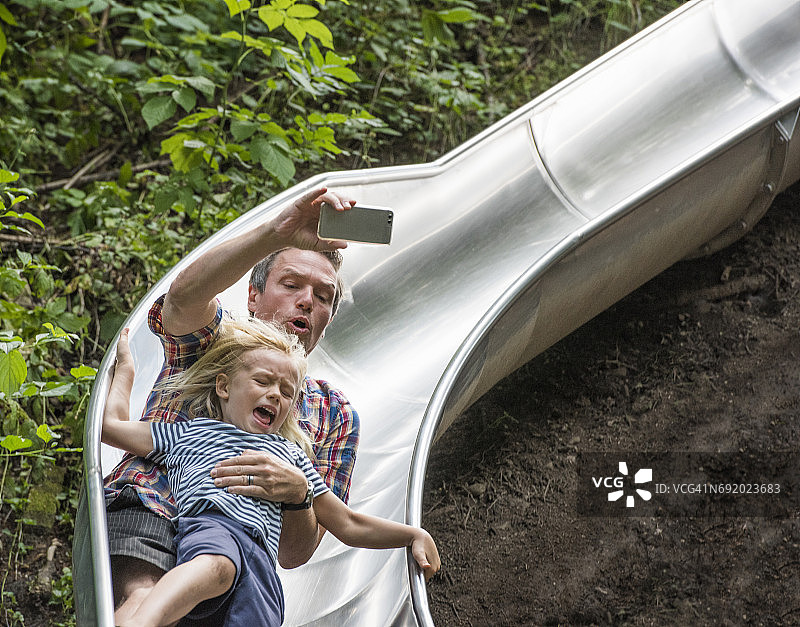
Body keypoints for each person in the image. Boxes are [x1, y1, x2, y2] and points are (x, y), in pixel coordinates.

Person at [101, 188, 362, 615]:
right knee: (145, 594)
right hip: (155, 506)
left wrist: (298, 495)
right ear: (253, 297)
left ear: (328, 317)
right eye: (291, 284)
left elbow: (294, 554)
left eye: (323, 296)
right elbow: (182, 299)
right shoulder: (216, 344)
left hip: (237, 549)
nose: (306, 301)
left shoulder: (334, 414)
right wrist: (273, 235)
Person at [104, 323, 439, 626]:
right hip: (214, 528)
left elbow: (348, 522)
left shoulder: (292, 459)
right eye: (262, 381)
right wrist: (125, 372)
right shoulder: (188, 433)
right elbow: (112, 428)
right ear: (224, 386)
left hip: (263, 565)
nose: (275, 394)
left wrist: (411, 535)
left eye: (286, 391)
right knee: (218, 566)